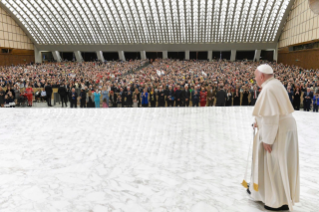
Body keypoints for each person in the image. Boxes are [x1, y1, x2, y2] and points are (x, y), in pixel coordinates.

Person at [245, 64, 299, 211]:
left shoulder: (268, 89)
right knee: (282, 164)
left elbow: (271, 116)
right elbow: (272, 111)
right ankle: (278, 197)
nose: (255, 79)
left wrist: (267, 139)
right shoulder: (276, 83)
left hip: (277, 131)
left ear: (261, 76)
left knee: (274, 165)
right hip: (286, 127)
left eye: (255, 76)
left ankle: (275, 200)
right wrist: (258, 123)